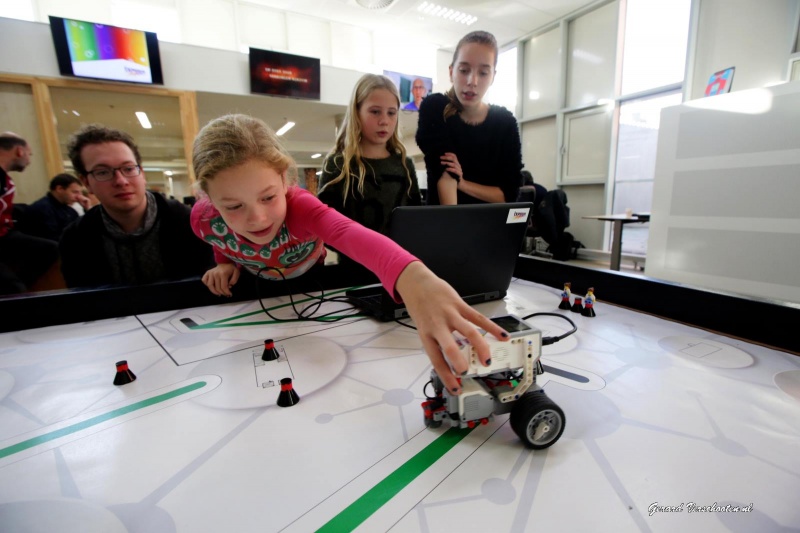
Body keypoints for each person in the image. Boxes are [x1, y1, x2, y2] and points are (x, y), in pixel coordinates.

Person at [190, 114, 509, 394]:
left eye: (269, 197)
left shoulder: (300, 207)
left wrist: (414, 277)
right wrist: (224, 262)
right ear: (209, 200)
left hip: (310, 273)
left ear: (285, 178)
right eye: (233, 206)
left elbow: (350, 235)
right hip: (257, 282)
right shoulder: (202, 221)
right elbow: (221, 239)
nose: (257, 219)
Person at [60, 124, 214, 288]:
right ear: (86, 182)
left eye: (128, 168)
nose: (121, 181)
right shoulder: (75, 239)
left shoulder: (189, 222)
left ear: (142, 173)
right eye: (103, 172)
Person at [416, 30, 523, 206]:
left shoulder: (505, 122)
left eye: (483, 73)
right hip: (446, 224)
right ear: (451, 72)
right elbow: (446, 172)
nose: (472, 81)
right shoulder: (435, 108)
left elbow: (508, 195)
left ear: (493, 77)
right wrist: (454, 229)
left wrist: (464, 184)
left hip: (490, 226)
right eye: (464, 70)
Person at [318, 73, 421, 236]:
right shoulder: (338, 164)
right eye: (375, 112)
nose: (384, 121)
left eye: (391, 113)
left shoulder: (404, 165)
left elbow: (416, 220)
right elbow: (325, 225)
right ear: (356, 112)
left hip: (399, 259)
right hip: (353, 259)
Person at [0, 132, 60, 295]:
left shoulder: (4, 179)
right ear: (20, 151)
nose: (29, 160)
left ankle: (23, 288)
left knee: (51, 248)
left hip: (4, 236)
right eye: (29, 154)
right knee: (13, 287)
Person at [23, 173, 83, 241]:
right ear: (59, 189)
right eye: (75, 192)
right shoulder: (42, 209)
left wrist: (87, 208)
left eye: (80, 193)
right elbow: (53, 239)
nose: (79, 197)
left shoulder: (70, 210)